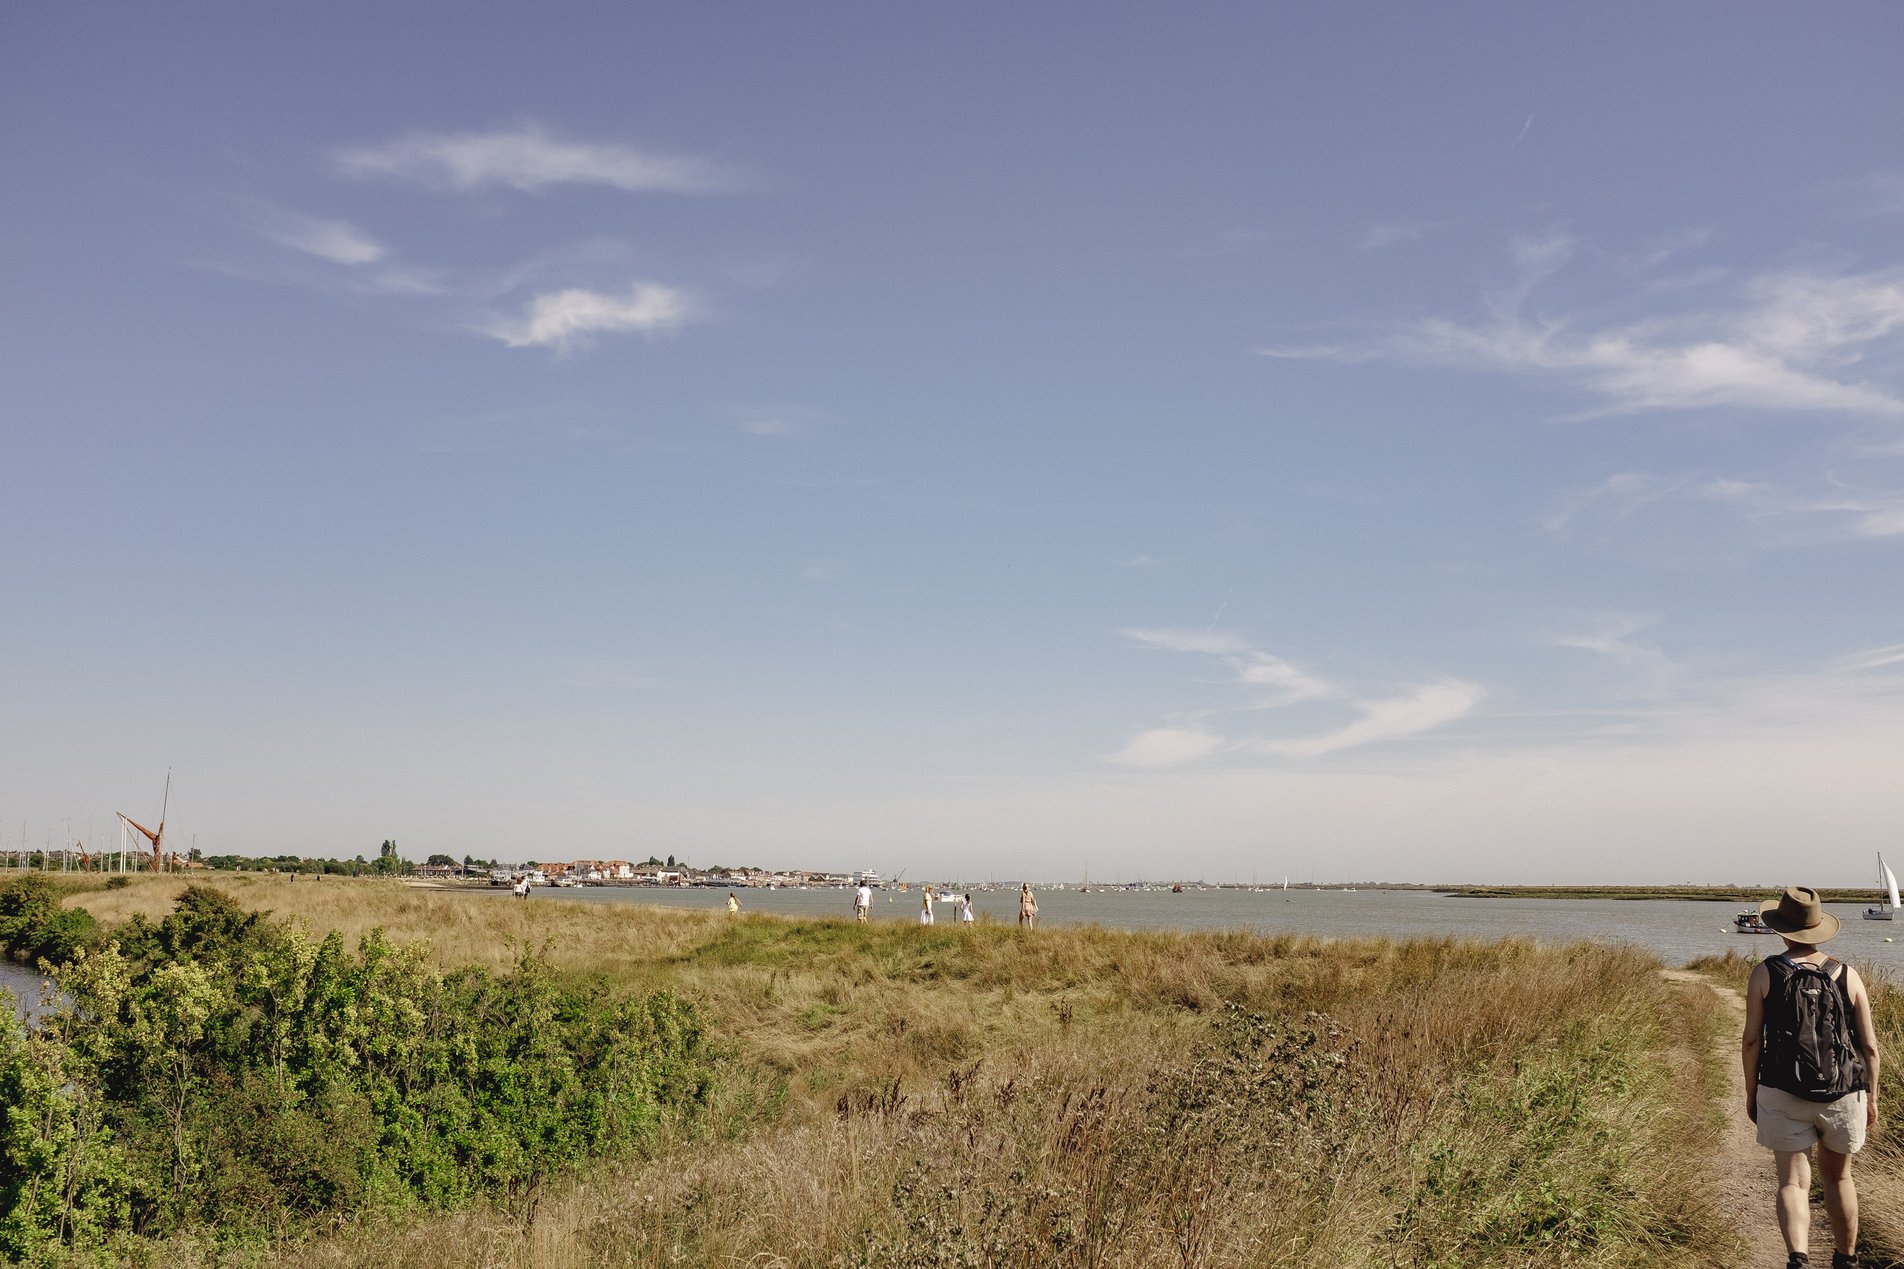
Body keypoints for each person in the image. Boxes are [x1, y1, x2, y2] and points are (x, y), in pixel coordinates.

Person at [1743, 886, 1882, 1269]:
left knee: (1792, 1182)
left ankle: (1798, 1258)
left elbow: (1752, 1041)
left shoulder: (1765, 973)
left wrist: (1752, 1092)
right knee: (1839, 1179)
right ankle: (1845, 1259)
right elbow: (1869, 1047)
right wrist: (1871, 1097)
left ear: (1781, 929)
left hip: (1782, 1090)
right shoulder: (1847, 974)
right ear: (1818, 927)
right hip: (1843, 1091)